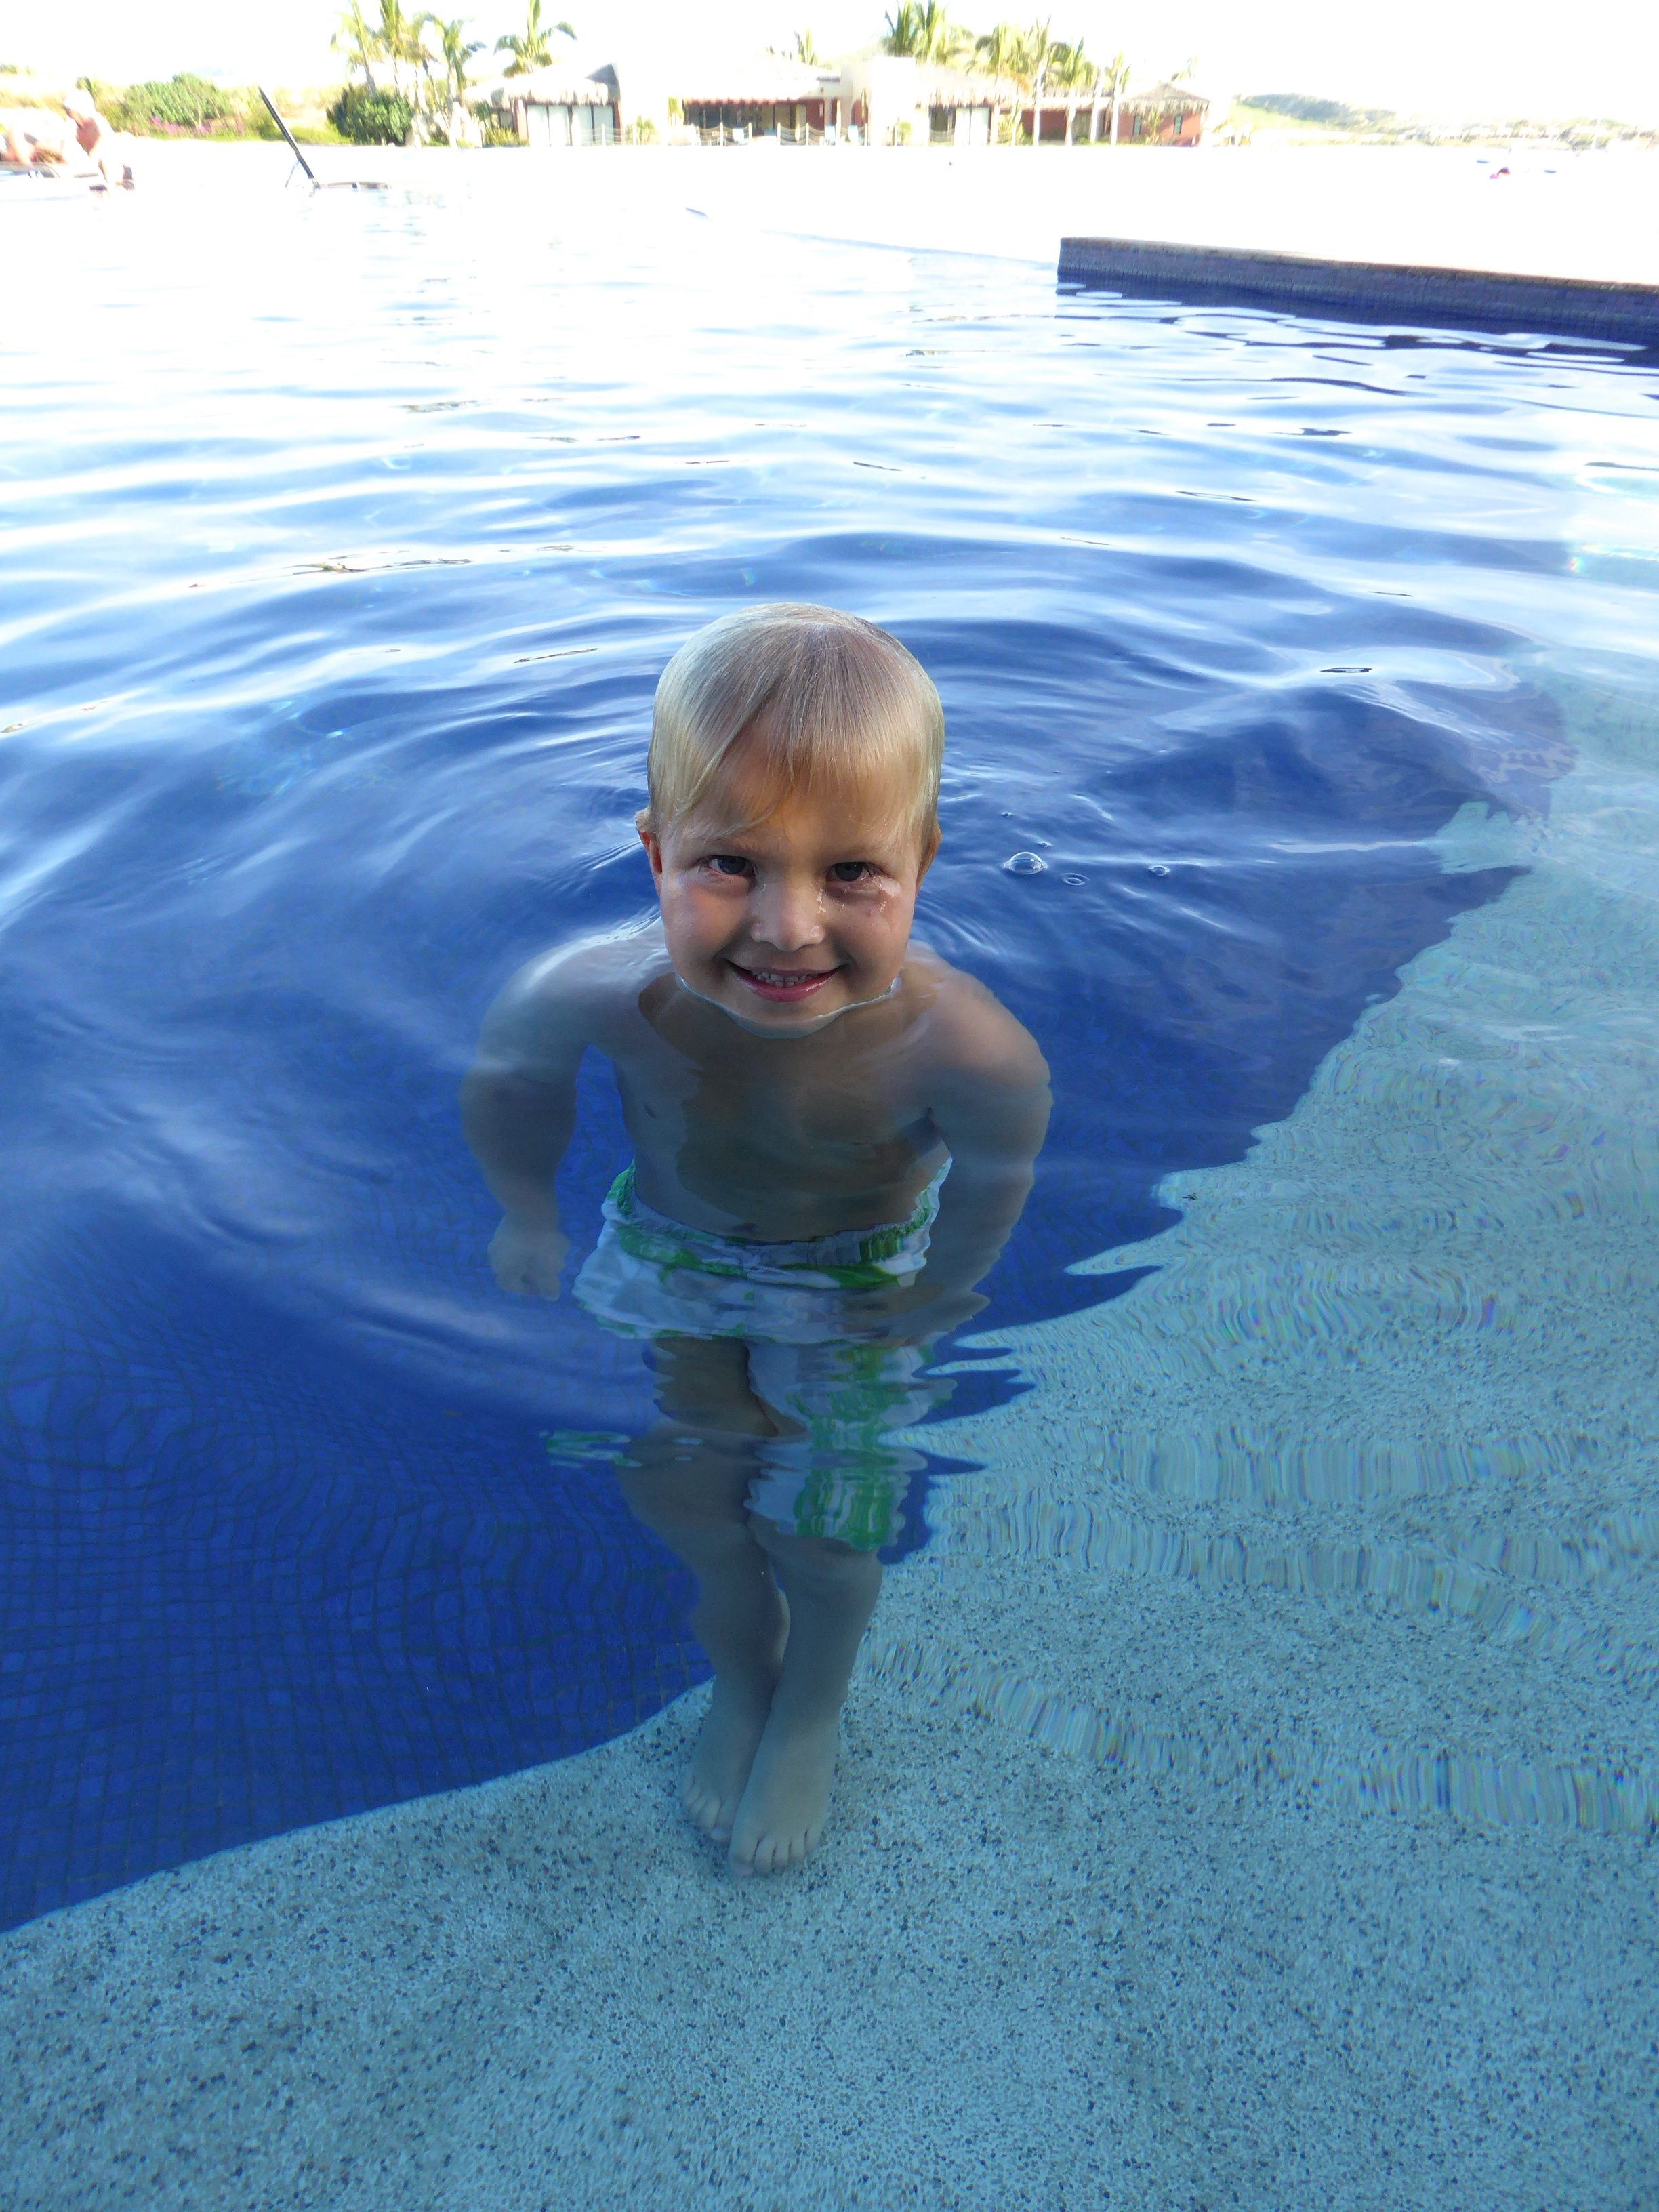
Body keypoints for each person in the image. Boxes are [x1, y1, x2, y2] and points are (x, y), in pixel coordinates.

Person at [463, 605, 1050, 1875]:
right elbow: (511, 1075)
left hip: (853, 1288)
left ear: (925, 862)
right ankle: (743, 1675)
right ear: (654, 853)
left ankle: (814, 1710)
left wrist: (939, 1296)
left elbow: (1005, 1162)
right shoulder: (601, 996)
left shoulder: (965, 1044)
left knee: (821, 1531)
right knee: (686, 1488)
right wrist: (528, 1207)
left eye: (850, 874)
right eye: (732, 863)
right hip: (680, 1257)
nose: (787, 928)